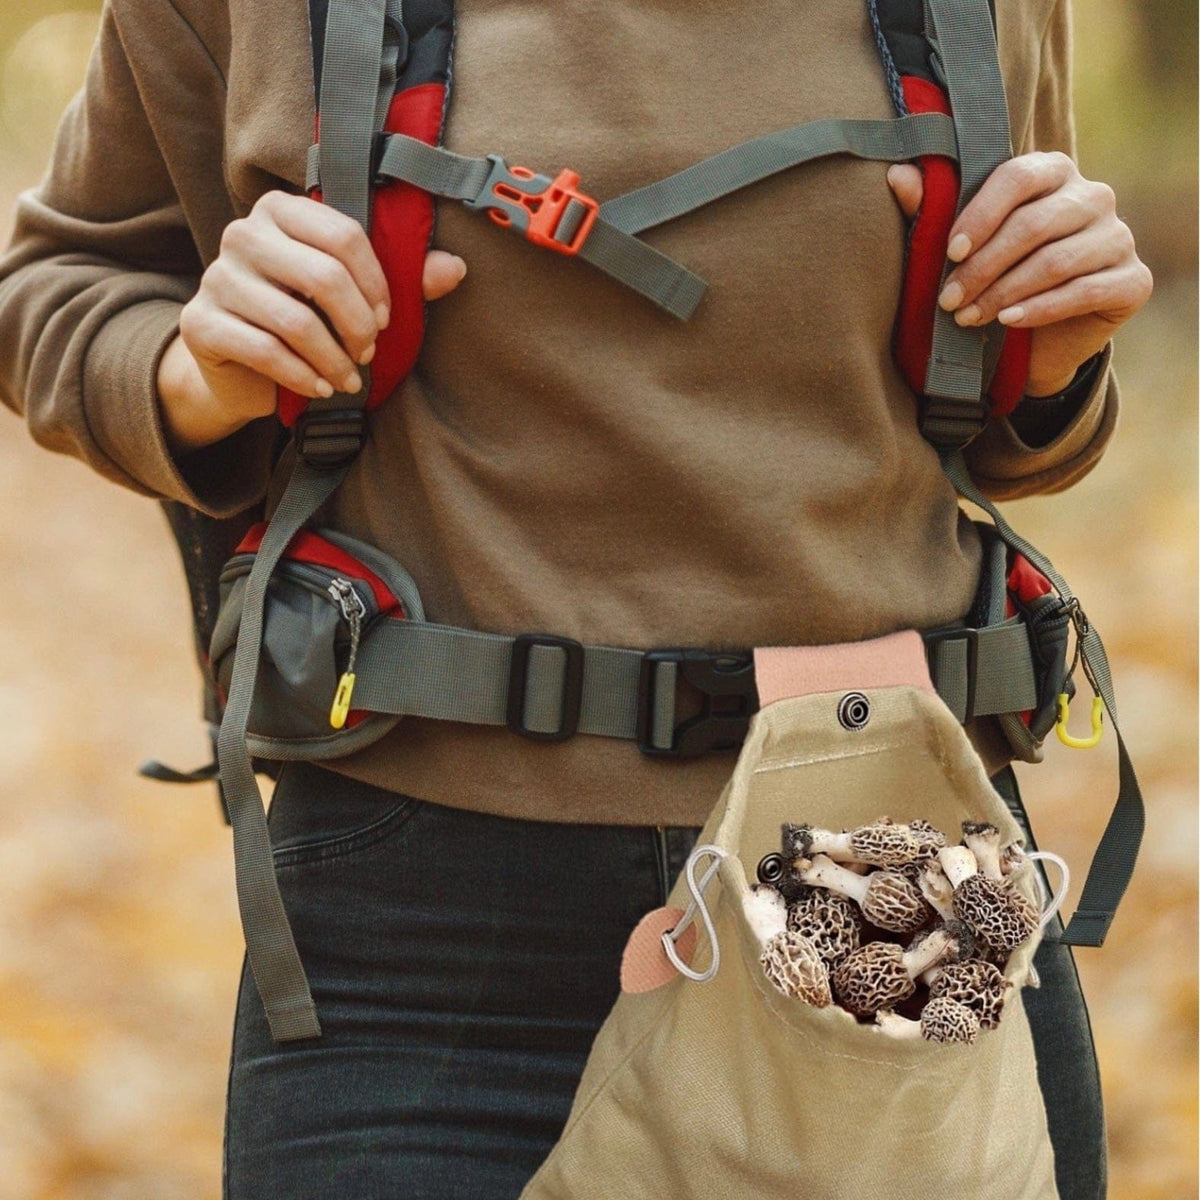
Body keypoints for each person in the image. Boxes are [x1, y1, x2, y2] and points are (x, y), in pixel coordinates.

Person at [0, 0, 1151, 1197]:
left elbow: (1008, 399)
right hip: (417, 919)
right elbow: (62, 282)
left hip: (884, 870)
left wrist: (1057, 359)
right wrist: (197, 372)